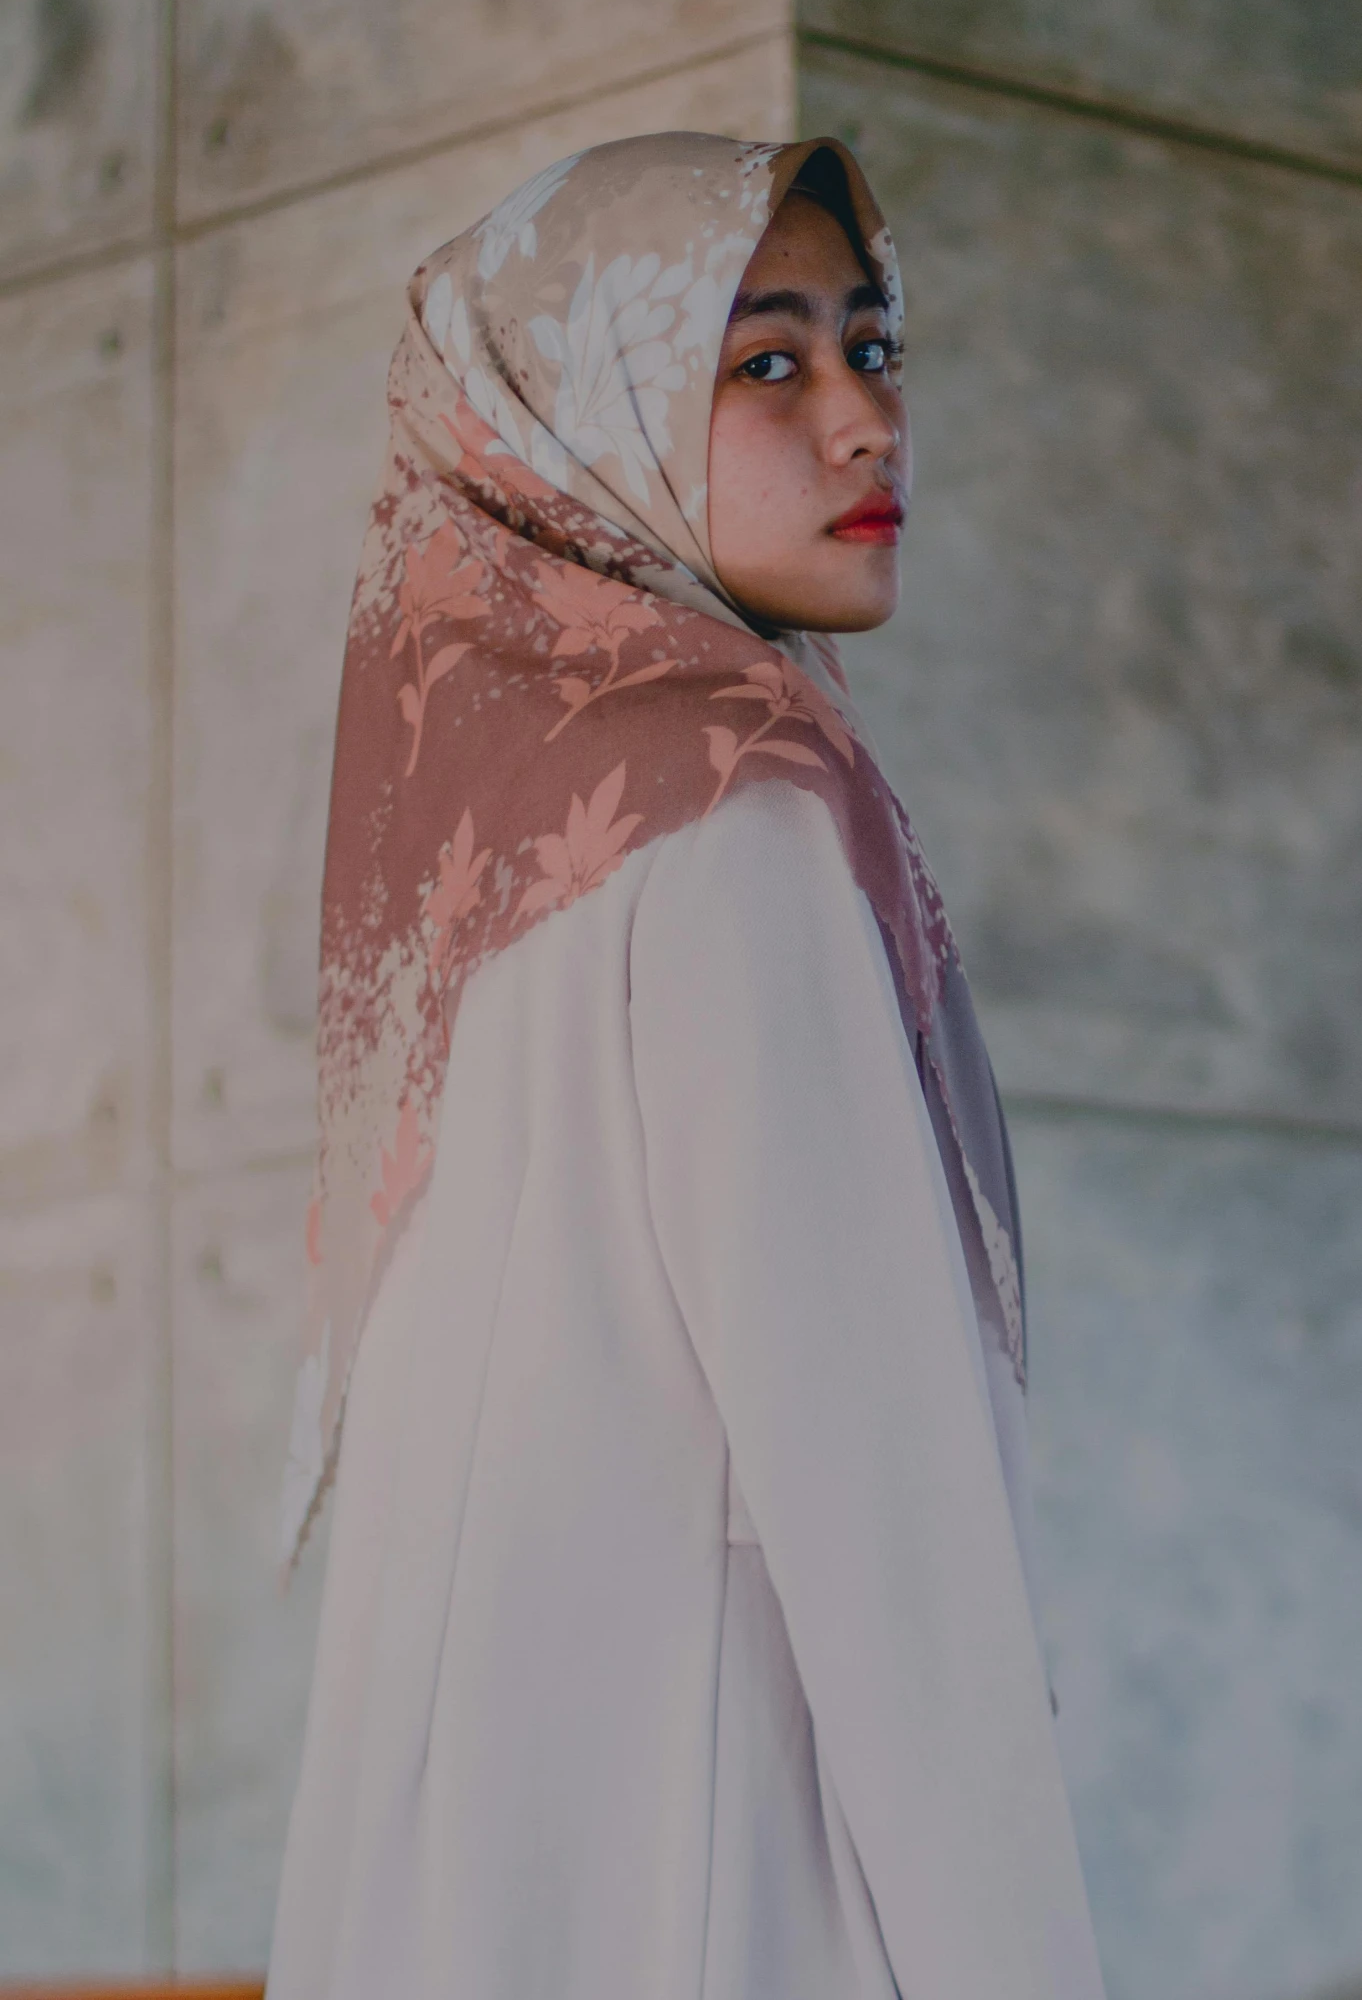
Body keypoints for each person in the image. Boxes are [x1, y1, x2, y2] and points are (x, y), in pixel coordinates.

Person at [268, 131, 1104, 2000]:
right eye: (764, 360)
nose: (867, 423)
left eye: (873, 347)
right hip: (708, 1877)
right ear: (577, 413)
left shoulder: (493, 850)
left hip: (478, 1885)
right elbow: (890, 1526)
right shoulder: (736, 821)